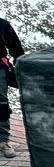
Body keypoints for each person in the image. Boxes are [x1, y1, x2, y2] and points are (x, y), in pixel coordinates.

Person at [0, 16, 23, 158]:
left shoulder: (2, 24)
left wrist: (21, 70)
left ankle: (2, 141)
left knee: (1, 104)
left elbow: (17, 50)